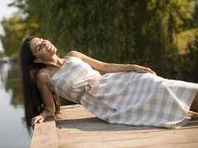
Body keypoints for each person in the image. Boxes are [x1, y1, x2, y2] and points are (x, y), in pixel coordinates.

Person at [19, 36, 198, 130]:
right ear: (36, 60)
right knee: (162, 90)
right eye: (39, 47)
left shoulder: (73, 55)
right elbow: (50, 108)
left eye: (42, 40)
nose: (45, 44)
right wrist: (42, 115)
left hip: (117, 82)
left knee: (159, 83)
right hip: (105, 101)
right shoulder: (43, 76)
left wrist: (132, 67)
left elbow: (104, 66)